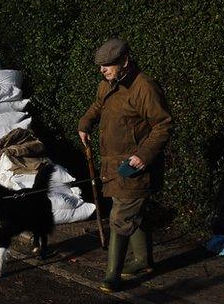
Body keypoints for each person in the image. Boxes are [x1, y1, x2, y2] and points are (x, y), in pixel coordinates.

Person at [78, 38, 173, 292]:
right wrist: (85, 122)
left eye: (108, 65)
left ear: (124, 62)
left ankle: (112, 275)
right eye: (100, 66)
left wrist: (144, 154)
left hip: (135, 168)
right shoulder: (107, 85)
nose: (102, 70)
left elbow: (163, 125)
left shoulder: (144, 88)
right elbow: (99, 106)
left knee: (120, 217)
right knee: (134, 214)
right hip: (112, 165)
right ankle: (143, 261)